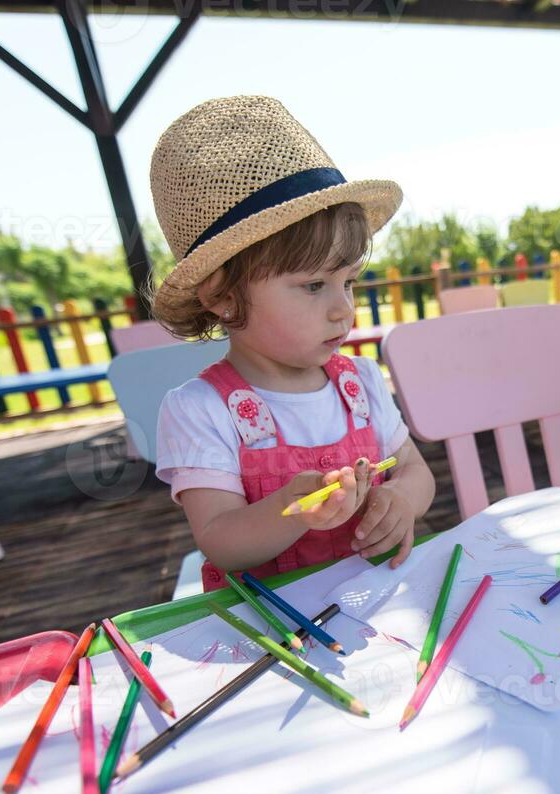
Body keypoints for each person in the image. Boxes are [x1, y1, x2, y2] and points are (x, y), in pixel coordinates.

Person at [149, 96, 435, 592]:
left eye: (348, 282)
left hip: (378, 606)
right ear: (221, 295)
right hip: (269, 629)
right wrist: (292, 510)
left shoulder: (360, 382)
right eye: (313, 285)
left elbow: (413, 469)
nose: (343, 309)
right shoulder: (200, 410)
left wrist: (404, 499)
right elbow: (219, 539)